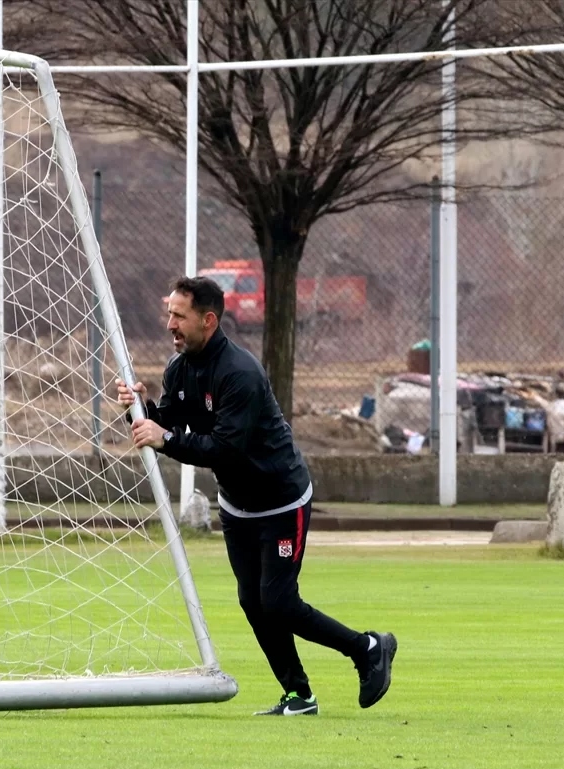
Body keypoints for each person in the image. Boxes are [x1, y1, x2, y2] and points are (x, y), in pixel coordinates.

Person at [116, 275, 396, 716]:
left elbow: (225, 447)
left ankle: (368, 648)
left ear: (208, 320)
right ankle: (299, 695)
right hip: (238, 505)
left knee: (279, 601)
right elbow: (165, 423)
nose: (169, 323)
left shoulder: (240, 373)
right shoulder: (180, 369)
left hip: (281, 500)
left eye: (178, 315)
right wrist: (137, 410)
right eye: (168, 313)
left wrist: (164, 436)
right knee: (253, 600)